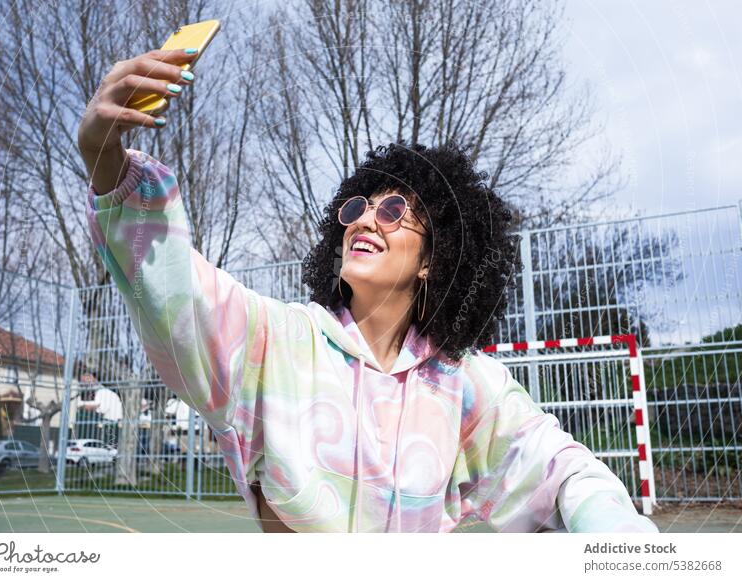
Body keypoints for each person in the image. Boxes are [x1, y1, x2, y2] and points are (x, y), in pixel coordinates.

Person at [77, 48, 659, 534]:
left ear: (436, 258)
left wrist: (621, 539)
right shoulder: (276, 342)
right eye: (356, 207)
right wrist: (106, 159)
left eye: (396, 208)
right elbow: (173, 284)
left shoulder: (465, 387)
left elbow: (561, 471)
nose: (364, 220)